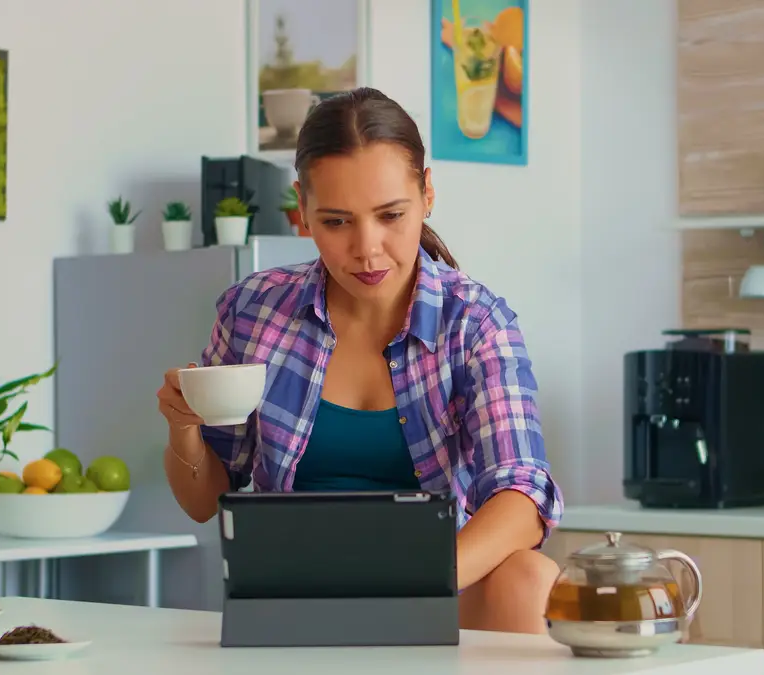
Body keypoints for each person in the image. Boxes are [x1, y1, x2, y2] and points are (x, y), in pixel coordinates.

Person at [158, 87, 563, 634]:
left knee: (530, 576)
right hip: (296, 596)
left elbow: (521, 493)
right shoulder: (254, 310)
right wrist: (184, 430)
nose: (368, 248)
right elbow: (204, 502)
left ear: (427, 194)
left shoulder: (476, 324)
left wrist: (412, 587)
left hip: (437, 592)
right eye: (337, 222)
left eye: (391, 215)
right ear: (302, 209)